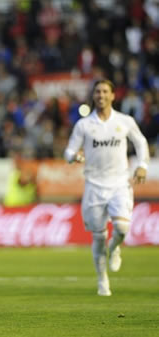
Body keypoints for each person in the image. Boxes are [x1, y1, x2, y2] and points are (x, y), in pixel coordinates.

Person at [64, 79, 149, 296]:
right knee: (98, 237)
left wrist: (142, 166)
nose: (101, 95)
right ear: (93, 96)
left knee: (121, 228)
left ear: (112, 95)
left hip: (120, 183)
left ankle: (116, 247)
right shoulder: (84, 125)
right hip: (94, 186)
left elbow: (140, 142)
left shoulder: (124, 121)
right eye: (97, 92)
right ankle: (102, 281)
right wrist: (75, 156)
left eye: (105, 92)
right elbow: (68, 151)